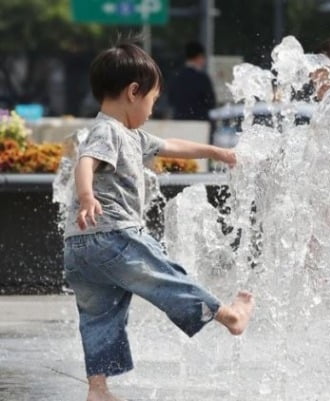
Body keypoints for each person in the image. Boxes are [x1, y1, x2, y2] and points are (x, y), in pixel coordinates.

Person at [64, 40, 254, 401]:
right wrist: (87, 196)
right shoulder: (108, 130)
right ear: (133, 92)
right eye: (151, 100)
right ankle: (229, 317)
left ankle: (98, 388)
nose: (152, 109)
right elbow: (86, 161)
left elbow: (171, 146)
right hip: (115, 235)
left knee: (99, 316)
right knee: (167, 276)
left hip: (79, 246)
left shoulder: (130, 134)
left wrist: (215, 152)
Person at [168, 41, 216, 120]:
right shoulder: (202, 78)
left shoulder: (176, 77)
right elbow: (211, 102)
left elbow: (171, 100)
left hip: (179, 121)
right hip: (200, 122)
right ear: (199, 57)